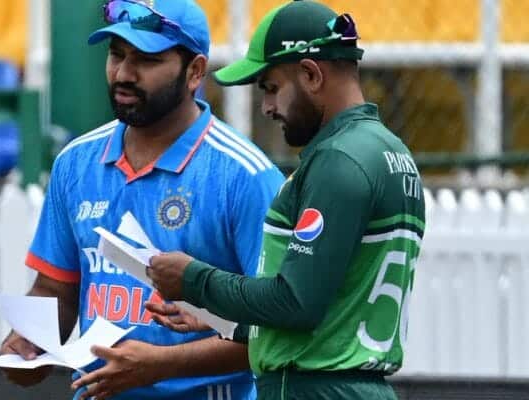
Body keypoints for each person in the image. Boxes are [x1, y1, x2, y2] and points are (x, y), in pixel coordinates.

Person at [0, 1, 284, 399]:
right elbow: (55, 289)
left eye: (146, 59)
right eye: (116, 55)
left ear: (195, 71)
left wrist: (160, 366)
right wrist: (27, 344)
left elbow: (278, 330)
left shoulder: (244, 177)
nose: (124, 73)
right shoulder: (75, 163)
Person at [147, 1, 426, 399]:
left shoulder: (338, 160)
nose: (267, 107)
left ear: (311, 74)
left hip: (313, 389)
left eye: (272, 88)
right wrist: (222, 318)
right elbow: (335, 308)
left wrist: (193, 280)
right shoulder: (390, 151)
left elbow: (296, 302)